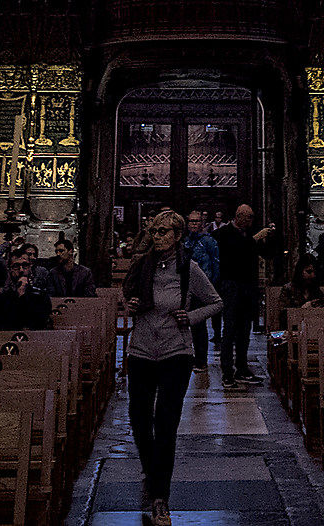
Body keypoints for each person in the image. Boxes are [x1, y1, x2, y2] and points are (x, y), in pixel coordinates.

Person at [122, 208, 222, 526]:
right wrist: (131, 305)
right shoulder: (142, 266)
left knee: (165, 425)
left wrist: (189, 318)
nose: (158, 236)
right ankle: (152, 474)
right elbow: (131, 297)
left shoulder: (187, 269)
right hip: (141, 350)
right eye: (154, 231)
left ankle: (160, 497)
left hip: (175, 354)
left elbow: (215, 301)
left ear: (178, 236)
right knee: (139, 420)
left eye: (164, 232)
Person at [211, 203, 276, 385]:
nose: (250, 221)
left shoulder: (250, 234)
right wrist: (255, 239)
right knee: (230, 330)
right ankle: (227, 372)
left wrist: (267, 239)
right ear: (239, 216)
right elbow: (236, 251)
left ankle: (242, 368)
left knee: (244, 330)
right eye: (248, 217)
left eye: (252, 218)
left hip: (248, 287)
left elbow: (267, 254)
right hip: (231, 286)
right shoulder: (223, 234)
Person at [184, 209, 222, 371]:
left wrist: (212, 286)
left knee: (199, 326)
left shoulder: (208, 241)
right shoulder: (184, 241)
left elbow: (215, 263)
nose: (193, 224)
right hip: (186, 288)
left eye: (196, 221)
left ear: (202, 223)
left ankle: (201, 360)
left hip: (202, 287)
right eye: (191, 221)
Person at [0, 243, 54, 330]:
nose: (21, 270)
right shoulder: (0, 300)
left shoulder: (41, 297)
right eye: (16, 266)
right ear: (10, 270)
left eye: (25, 265)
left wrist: (23, 294)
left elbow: (39, 325)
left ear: (30, 267)